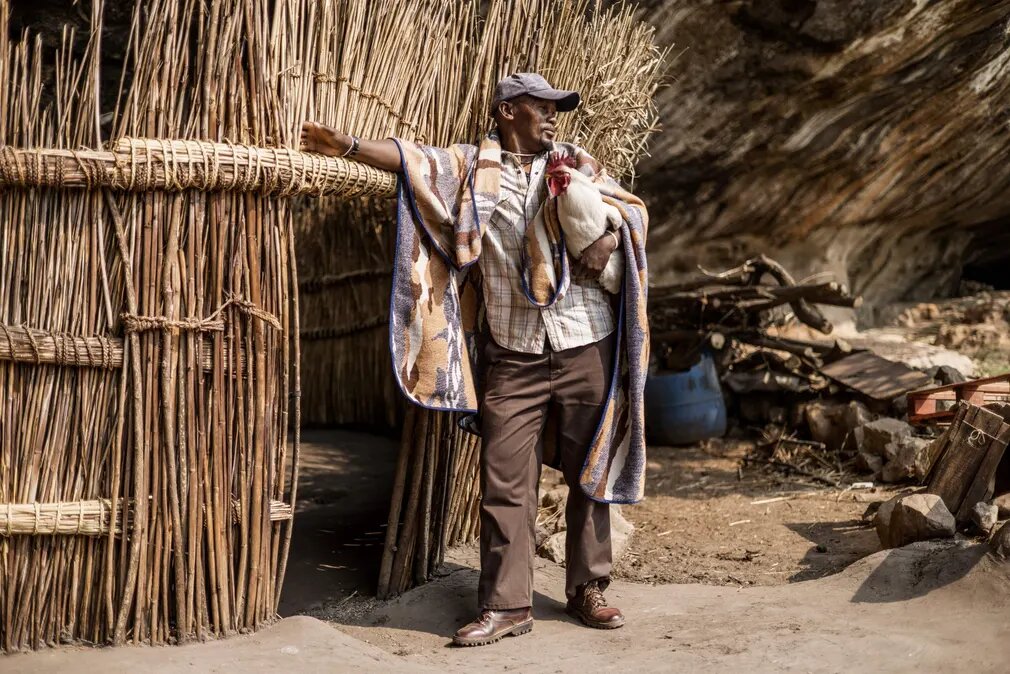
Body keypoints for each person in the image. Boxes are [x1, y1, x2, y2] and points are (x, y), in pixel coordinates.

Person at [300, 72, 649, 647]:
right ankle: (508, 605)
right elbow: (413, 159)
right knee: (506, 478)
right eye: (543, 106)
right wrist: (351, 147)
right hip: (513, 352)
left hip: (587, 339)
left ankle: (588, 588)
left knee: (592, 466)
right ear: (509, 110)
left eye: (557, 107)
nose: (554, 115)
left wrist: (609, 241)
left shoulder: (578, 163)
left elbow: (630, 212)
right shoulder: (470, 167)